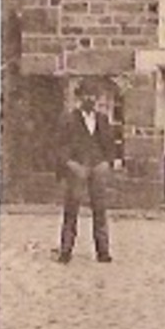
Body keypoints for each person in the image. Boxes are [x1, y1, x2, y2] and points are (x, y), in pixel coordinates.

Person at [56, 79, 118, 263]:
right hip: (77, 168)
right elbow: (60, 146)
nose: (90, 99)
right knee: (71, 209)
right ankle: (66, 250)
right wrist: (71, 164)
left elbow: (110, 145)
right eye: (86, 95)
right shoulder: (68, 119)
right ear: (79, 97)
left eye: (93, 95)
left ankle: (103, 251)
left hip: (98, 168)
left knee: (100, 209)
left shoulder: (102, 119)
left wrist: (107, 162)